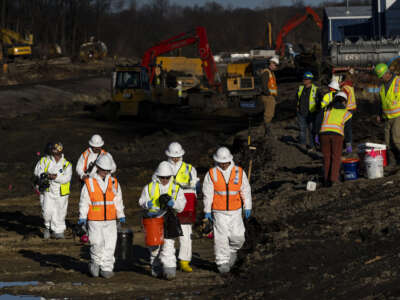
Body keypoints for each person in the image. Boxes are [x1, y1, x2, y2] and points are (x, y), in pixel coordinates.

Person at [202, 147, 252, 273]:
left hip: (235, 210)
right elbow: (208, 193)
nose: (223, 164)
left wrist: (248, 206)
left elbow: (245, 190)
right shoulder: (212, 174)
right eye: (220, 162)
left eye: (225, 162)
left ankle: (232, 251)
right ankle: (222, 262)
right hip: (219, 211)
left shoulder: (239, 172)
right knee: (221, 238)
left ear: (230, 160)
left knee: (238, 237)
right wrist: (207, 210)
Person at [152, 142, 199, 273]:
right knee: (168, 235)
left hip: (185, 204)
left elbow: (194, 187)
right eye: (173, 156)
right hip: (167, 204)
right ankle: (166, 260)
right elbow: (154, 184)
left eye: (177, 156)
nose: (175, 158)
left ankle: (184, 261)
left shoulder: (190, 169)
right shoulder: (162, 167)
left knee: (186, 234)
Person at [78, 155, 125, 279]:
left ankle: (107, 267)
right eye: (103, 170)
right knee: (96, 243)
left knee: (110, 244)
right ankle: (95, 263)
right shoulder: (89, 183)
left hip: (110, 219)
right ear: (98, 167)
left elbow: (118, 199)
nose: (105, 172)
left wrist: (120, 214)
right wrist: (82, 216)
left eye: (107, 170)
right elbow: (84, 201)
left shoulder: (114, 182)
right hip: (94, 219)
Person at [139, 161, 186, 279]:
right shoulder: (149, 187)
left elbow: (181, 206)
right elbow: (141, 201)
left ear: (171, 176)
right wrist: (146, 204)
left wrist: (173, 203)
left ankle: (170, 270)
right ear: (157, 175)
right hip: (154, 220)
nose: (164, 179)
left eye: (167, 177)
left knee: (168, 246)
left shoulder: (176, 188)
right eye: (162, 177)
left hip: (169, 219)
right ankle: (156, 267)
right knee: (154, 247)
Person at [34, 142, 72, 239]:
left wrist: (55, 177)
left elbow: (66, 178)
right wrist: (44, 175)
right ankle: (47, 227)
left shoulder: (66, 164)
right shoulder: (44, 161)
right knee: (47, 211)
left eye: (56, 149)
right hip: (48, 191)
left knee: (60, 212)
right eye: (53, 149)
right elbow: (38, 171)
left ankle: (58, 231)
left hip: (61, 193)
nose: (54, 151)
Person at [315, 92, 352, 186]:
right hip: (337, 136)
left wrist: (315, 134)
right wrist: (348, 142)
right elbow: (347, 130)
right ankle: (334, 179)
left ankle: (326, 179)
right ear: (344, 101)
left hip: (323, 135)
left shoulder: (326, 109)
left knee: (326, 157)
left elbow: (317, 122)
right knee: (336, 157)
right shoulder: (346, 113)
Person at [375, 63, 400, 165]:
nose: (381, 79)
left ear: (387, 73)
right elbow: (381, 102)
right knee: (388, 143)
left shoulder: (398, 81)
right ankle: (394, 163)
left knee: (397, 139)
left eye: (382, 76)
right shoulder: (382, 87)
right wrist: (379, 114)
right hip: (387, 117)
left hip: (398, 115)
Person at [296, 71, 322, 151]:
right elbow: (297, 98)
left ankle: (311, 145)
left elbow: (320, 100)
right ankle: (303, 144)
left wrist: (317, 110)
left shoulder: (315, 89)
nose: (304, 80)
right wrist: (297, 107)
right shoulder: (300, 88)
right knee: (302, 129)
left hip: (311, 113)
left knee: (311, 130)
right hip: (301, 112)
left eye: (306, 79)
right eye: (304, 79)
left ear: (310, 80)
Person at [259, 56, 279, 136]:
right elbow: (264, 85)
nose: (276, 67)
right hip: (268, 96)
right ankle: (267, 131)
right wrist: (268, 93)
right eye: (275, 65)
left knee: (270, 113)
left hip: (270, 96)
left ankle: (267, 130)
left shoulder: (271, 73)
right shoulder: (266, 72)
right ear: (271, 63)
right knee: (268, 114)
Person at [340, 70, 357, 152]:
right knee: (348, 128)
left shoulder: (344, 88)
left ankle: (347, 147)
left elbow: (343, 100)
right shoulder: (350, 87)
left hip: (346, 110)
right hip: (351, 109)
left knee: (345, 129)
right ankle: (348, 146)